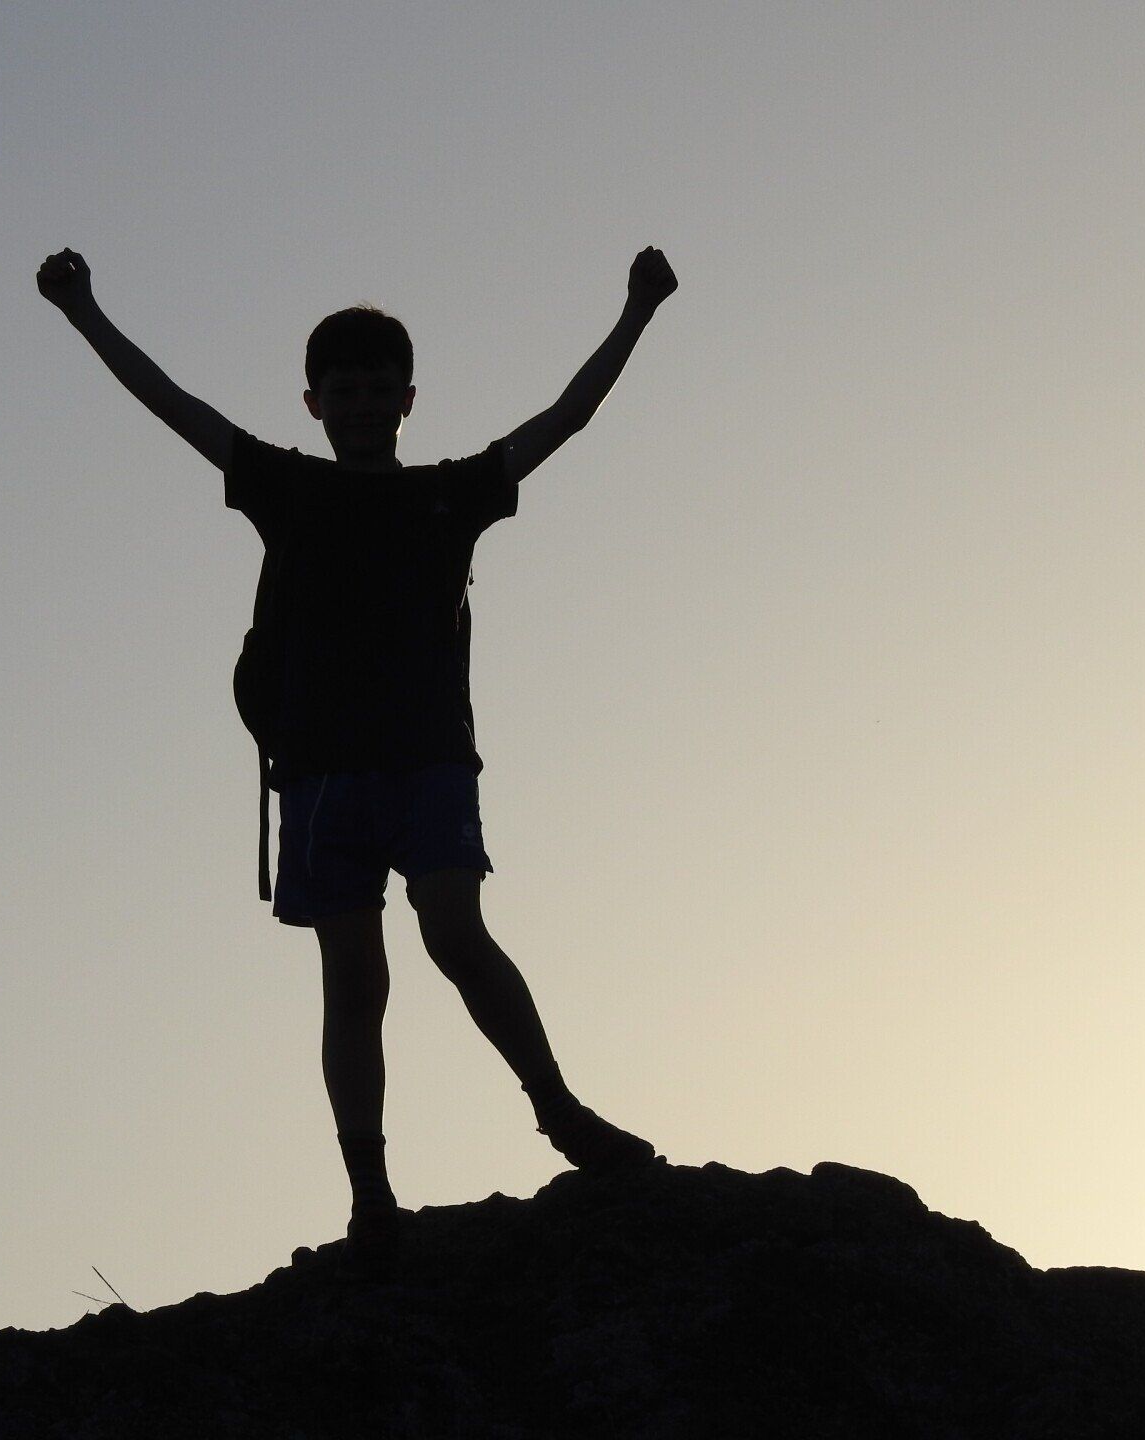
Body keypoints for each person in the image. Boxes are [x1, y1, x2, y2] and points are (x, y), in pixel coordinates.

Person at [37, 244, 679, 1277]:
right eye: (344, 391)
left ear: (409, 400)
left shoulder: (451, 493)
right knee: (355, 980)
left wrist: (637, 310)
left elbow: (566, 418)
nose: (364, 405)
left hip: (428, 760)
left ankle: (560, 1113)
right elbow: (172, 404)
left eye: (380, 389)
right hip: (325, 773)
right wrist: (83, 311)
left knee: (456, 934)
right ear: (314, 403)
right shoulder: (286, 487)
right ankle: (370, 1189)